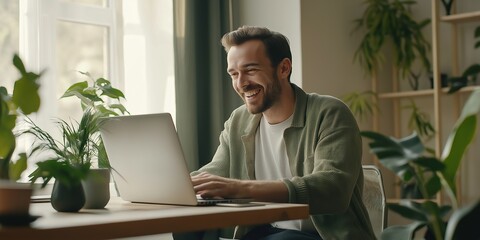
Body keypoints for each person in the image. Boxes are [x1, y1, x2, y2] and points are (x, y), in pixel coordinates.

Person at [175, 26, 375, 240]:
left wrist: (239, 188)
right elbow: (216, 173)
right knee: (184, 230)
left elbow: (333, 189)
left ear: (283, 69)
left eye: (250, 70)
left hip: (323, 236)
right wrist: (174, 186)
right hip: (263, 232)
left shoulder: (329, 113)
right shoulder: (238, 120)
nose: (241, 83)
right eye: (234, 74)